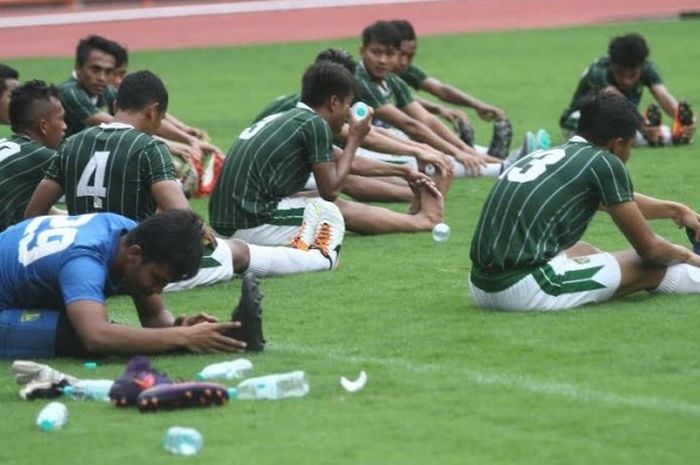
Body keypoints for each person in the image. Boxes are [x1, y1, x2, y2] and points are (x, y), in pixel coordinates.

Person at [26, 71, 341, 286]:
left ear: (116, 105)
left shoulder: (72, 145)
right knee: (238, 253)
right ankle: (319, 259)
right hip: (133, 269)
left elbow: (34, 214)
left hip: (81, 266)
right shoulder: (148, 147)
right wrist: (214, 242)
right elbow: (184, 216)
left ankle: (305, 249)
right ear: (154, 111)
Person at [469, 89, 700, 311]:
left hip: (481, 286)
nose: (629, 153)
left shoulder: (554, 156)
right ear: (617, 144)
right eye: (630, 146)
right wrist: (688, 256)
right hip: (524, 289)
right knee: (648, 265)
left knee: (585, 251)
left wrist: (676, 211)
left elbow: (619, 201)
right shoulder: (604, 162)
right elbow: (651, 249)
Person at [210, 60, 444, 246]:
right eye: (347, 105)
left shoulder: (294, 118)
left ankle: (412, 218)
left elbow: (347, 162)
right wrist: (355, 137)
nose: (348, 114)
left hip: (227, 221)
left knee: (314, 200)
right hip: (247, 223)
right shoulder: (315, 124)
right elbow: (331, 191)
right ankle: (422, 222)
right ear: (333, 102)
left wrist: (404, 172)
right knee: (330, 208)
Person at [0, 209, 254, 359]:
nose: (158, 290)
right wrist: (181, 337)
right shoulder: (85, 260)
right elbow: (96, 337)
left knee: (118, 333)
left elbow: (154, 317)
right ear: (134, 255)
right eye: (158, 279)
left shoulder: (130, 235)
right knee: (79, 335)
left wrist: (178, 327)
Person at [355, 21, 509, 178]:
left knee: (429, 150)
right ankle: (503, 169)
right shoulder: (361, 81)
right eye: (376, 53)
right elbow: (409, 125)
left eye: (389, 54)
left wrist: (466, 151)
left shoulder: (391, 79)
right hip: (352, 150)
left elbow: (426, 119)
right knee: (429, 159)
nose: (382, 60)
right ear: (362, 51)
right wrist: (457, 153)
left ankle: (500, 163)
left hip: (377, 140)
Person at [108, 39, 223, 197]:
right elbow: (130, 127)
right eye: (115, 74)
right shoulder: (78, 96)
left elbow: (151, 114)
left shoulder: (111, 95)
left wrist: (186, 133)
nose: (118, 80)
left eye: (121, 74)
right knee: (166, 168)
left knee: (168, 167)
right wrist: (175, 145)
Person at [391, 19, 518, 158]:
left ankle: (490, 157)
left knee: (425, 130)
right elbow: (401, 100)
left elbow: (441, 89)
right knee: (419, 130)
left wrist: (478, 106)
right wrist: (438, 109)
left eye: (410, 56)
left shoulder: (402, 70)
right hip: (377, 138)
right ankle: (494, 163)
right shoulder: (373, 74)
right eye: (401, 54)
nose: (404, 62)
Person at [560, 33, 696, 146]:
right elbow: (618, 102)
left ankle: (664, 136)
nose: (626, 80)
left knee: (634, 132)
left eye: (632, 75)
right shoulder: (597, 71)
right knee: (619, 131)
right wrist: (643, 125)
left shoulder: (647, 68)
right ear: (611, 64)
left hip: (624, 122)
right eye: (620, 74)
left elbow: (663, 95)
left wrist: (681, 120)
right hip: (579, 121)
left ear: (642, 67)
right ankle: (646, 136)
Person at [0, 81, 67, 231]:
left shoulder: (10, 144)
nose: (65, 126)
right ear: (43, 126)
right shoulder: (44, 157)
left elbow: (37, 206)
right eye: (61, 119)